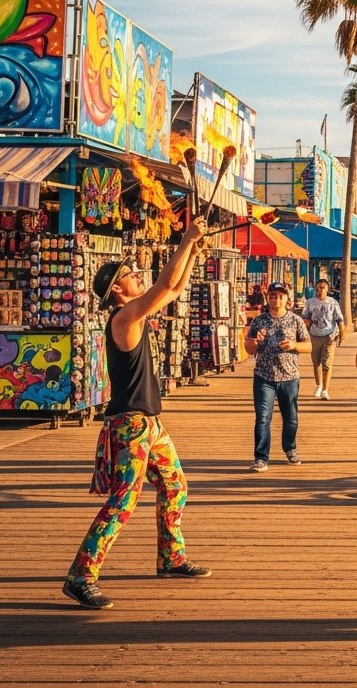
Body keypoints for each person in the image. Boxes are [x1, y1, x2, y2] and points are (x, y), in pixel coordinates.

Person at [64, 218, 211, 610]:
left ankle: (171, 558)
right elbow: (164, 287)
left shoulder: (137, 314)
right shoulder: (124, 318)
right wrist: (184, 240)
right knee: (123, 502)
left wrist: (192, 253)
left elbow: (175, 289)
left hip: (150, 424)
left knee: (175, 486)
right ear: (117, 290)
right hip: (129, 425)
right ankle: (81, 575)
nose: (137, 277)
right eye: (130, 275)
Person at [245, 282, 310, 471]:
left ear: (286, 299)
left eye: (280, 296)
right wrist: (255, 343)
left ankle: (290, 448)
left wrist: (294, 345)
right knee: (263, 418)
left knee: (291, 418)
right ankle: (261, 457)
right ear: (268, 298)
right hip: (264, 377)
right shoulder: (259, 321)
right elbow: (248, 348)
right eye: (272, 295)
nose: (276, 299)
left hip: (289, 376)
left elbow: (308, 345)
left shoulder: (295, 320)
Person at [301, 278, 345, 400]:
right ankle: (319, 385)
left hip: (329, 336)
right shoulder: (310, 302)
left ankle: (325, 389)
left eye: (322, 288)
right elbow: (304, 318)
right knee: (316, 363)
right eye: (318, 288)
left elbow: (340, 319)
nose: (320, 290)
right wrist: (307, 323)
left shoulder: (333, 302)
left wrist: (342, 332)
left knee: (327, 363)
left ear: (327, 289)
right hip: (314, 336)